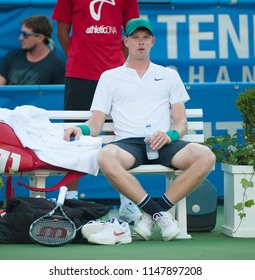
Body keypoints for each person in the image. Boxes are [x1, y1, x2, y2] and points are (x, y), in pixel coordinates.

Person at [64, 18, 216, 242]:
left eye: (145, 37)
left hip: (165, 142)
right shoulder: (109, 77)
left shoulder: (169, 75)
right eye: (135, 37)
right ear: (126, 41)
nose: (140, 42)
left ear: (153, 42)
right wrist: (80, 129)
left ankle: (151, 214)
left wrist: (170, 135)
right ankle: (160, 214)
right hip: (129, 145)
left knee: (206, 157)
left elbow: (181, 123)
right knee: (105, 157)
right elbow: (95, 124)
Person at [51, 0, 141, 222]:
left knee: (121, 136)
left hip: (116, 75)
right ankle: (70, 200)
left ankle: (128, 202)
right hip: (80, 75)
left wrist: (116, 62)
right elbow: (62, 33)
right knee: (74, 135)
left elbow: (131, 32)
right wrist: (78, 56)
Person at [0, 14, 65, 85]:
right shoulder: (11, 57)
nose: (20, 38)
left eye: (25, 34)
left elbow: (58, 95)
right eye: (21, 33)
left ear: (39, 38)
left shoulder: (58, 65)